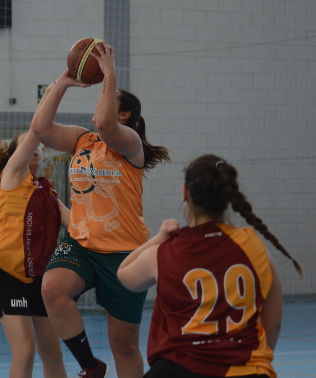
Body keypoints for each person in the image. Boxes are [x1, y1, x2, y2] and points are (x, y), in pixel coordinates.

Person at [31, 42, 170, 378]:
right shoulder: (83, 139)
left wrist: (109, 73)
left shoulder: (129, 144)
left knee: (123, 344)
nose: (98, 102)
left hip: (123, 252)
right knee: (52, 288)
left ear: (124, 115)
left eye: (106, 98)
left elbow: (106, 125)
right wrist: (62, 83)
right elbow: (40, 130)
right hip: (81, 242)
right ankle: (91, 366)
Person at [117, 154, 302, 378]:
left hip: (178, 368)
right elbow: (273, 322)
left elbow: (123, 273)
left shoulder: (164, 252)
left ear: (185, 193)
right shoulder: (254, 247)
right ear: (227, 197)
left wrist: (158, 238)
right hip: (246, 369)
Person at [0, 84, 69, 378]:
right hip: (4, 273)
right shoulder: (12, 175)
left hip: (37, 276)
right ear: (15, 154)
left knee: (53, 353)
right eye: (31, 145)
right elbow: (38, 129)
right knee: (25, 351)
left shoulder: (47, 191)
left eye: (40, 148)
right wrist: (61, 85)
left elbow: (78, 225)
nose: (37, 148)